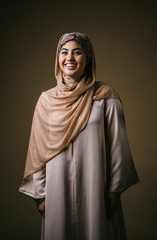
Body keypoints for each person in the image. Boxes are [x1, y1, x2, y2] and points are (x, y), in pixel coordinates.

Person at [19, 32, 139, 240]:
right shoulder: (47, 100)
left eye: (77, 52)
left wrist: (114, 190)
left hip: (96, 187)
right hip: (57, 189)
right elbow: (37, 151)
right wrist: (40, 194)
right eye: (64, 52)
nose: (70, 58)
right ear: (57, 59)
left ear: (88, 57)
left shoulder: (105, 97)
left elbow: (117, 148)